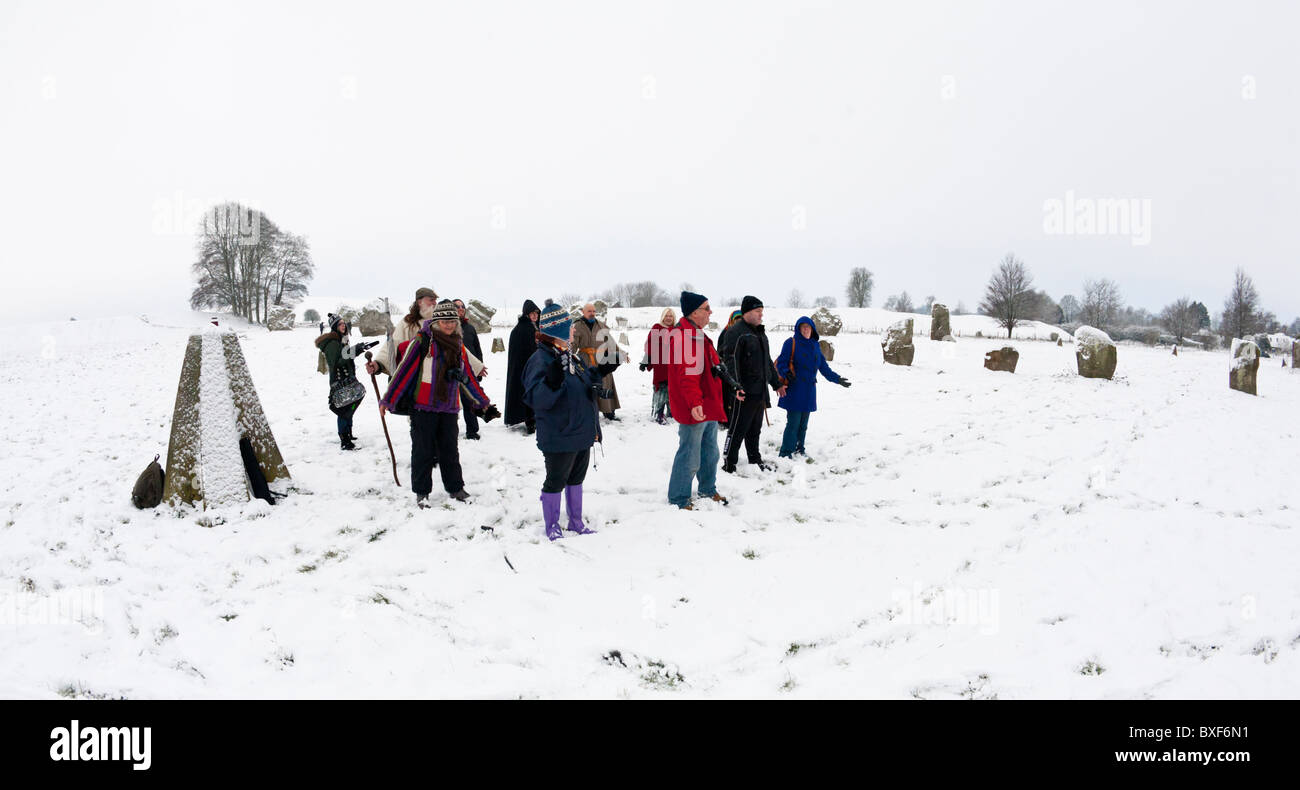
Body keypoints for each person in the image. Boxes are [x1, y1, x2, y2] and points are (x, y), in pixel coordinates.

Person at [375, 299, 496, 507]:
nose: (448, 324)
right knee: (423, 451)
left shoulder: (458, 344)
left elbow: (467, 377)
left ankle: (455, 488)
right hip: (423, 407)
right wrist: (388, 399)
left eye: (452, 321)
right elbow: (404, 373)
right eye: (444, 321)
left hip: (448, 407)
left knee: (450, 450)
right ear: (436, 321)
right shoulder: (423, 341)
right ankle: (422, 493)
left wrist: (482, 402)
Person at [523, 304, 616, 541]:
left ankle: (575, 521)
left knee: (576, 478)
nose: (574, 332)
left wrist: (601, 370)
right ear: (560, 329)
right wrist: (552, 382)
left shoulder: (567, 354)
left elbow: (583, 379)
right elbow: (535, 398)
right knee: (555, 481)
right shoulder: (540, 359)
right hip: (560, 434)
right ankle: (552, 524)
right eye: (571, 328)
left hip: (581, 431)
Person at [665, 291, 736, 510]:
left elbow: (714, 367)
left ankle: (707, 488)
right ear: (695, 312)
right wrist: (695, 403)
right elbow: (687, 374)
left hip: (708, 404)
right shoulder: (683, 336)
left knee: (710, 452)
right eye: (707, 308)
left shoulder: (697, 334)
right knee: (690, 454)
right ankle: (679, 497)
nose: (710, 312)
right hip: (694, 406)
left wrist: (732, 387)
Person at [722, 296, 787, 473]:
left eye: (761, 312)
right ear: (747, 312)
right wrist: (736, 386)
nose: (761, 315)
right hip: (742, 392)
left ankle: (754, 459)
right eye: (758, 312)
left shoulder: (760, 332)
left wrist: (776, 384)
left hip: (759, 391)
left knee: (755, 429)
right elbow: (730, 362)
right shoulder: (736, 332)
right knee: (737, 429)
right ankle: (729, 463)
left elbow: (767, 361)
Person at [775, 316, 851, 459]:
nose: (805, 329)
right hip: (795, 389)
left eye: (808, 327)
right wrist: (787, 374)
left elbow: (823, 367)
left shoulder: (815, 345)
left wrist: (837, 379)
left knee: (803, 424)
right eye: (802, 327)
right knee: (793, 423)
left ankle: (799, 449)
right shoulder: (791, 342)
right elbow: (782, 363)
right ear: (798, 329)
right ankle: (786, 453)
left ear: (812, 329)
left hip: (809, 390)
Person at [315, 313, 367, 451]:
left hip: (347, 377)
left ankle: (349, 433)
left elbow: (345, 356)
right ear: (334, 327)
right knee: (343, 409)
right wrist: (353, 352)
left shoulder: (342, 340)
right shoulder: (332, 343)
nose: (343, 325)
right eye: (340, 324)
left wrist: (356, 350)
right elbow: (335, 363)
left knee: (350, 405)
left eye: (344, 323)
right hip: (338, 380)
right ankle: (344, 439)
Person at [571, 303, 622, 421]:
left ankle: (609, 412)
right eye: (589, 311)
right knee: (586, 385)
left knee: (606, 383)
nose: (592, 313)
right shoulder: (577, 326)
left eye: (594, 311)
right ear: (583, 312)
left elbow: (610, 342)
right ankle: (587, 413)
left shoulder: (601, 325)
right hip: (585, 359)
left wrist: (620, 353)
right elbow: (573, 346)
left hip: (602, 359)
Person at [505, 300, 542, 434]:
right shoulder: (521, 329)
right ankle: (530, 421)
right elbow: (523, 351)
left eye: (536, 313)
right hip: (524, 368)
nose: (534, 316)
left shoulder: (535, 327)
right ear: (526, 314)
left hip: (536, 367)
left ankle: (535, 418)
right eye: (532, 313)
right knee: (526, 393)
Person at [454, 298, 487, 440]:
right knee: (452, 405)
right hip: (453, 372)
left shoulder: (470, 328)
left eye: (462, 306)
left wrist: (479, 367)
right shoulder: (448, 328)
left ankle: (472, 431)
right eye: (457, 306)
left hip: (469, 372)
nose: (461, 309)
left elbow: (477, 350)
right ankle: (449, 432)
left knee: (470, 402)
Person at [641, 307, 675, 424]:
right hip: (660, 365)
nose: (669, 318)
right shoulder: (657, 328)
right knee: (660, 388)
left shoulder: (677, 329)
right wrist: (645, 360)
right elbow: (649, 346)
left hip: (674, 365)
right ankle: (659, 412)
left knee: (673, 388)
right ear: (663, 317)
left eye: (671, 316)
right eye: (667, 315)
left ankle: (672, 412)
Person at [715, 309, 745, 426]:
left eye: (741, 320)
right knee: (728, 395)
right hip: (727, 369)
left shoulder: (744, 332)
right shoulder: (726, 333)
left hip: (741, 369)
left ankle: (738, 418)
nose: (739, 322)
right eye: (736, 319)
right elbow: (720, 351)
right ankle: (726, 420)